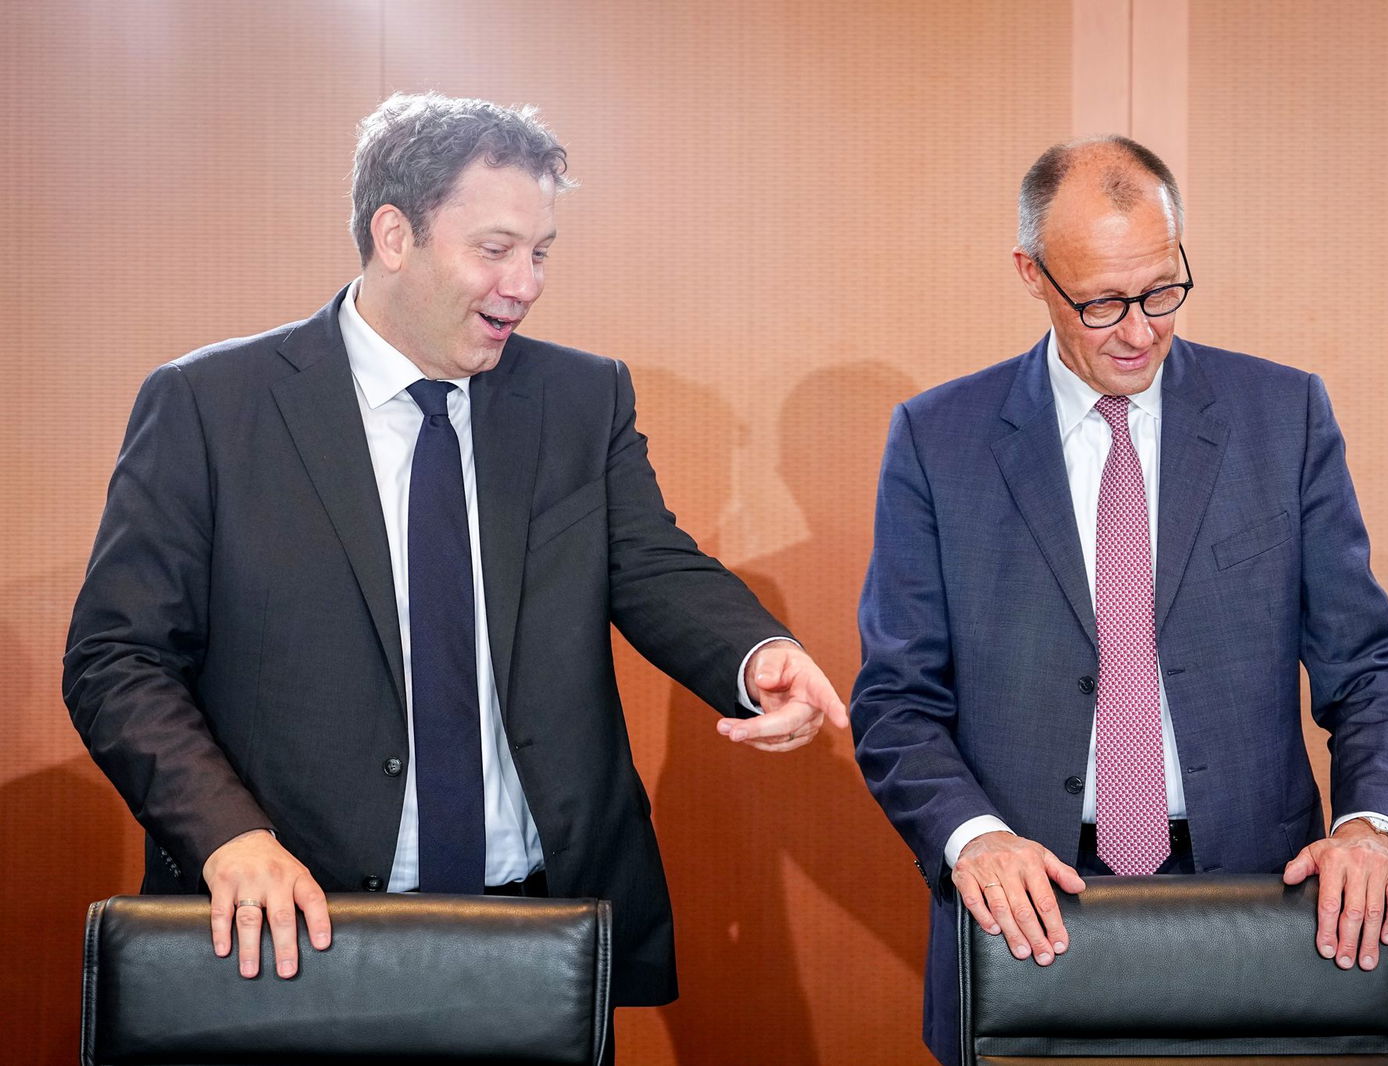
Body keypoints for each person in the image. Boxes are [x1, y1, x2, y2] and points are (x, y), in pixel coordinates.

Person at [63, 92, 846, 1020]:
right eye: (496, 248)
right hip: (293, 926)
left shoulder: (580, 398)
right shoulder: (210, 405)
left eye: (541, 251)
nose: (527, 282)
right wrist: (229, 838)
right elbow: (118, 660)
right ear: (394, 235)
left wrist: (758, 656)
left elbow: (650, 565)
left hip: (538, 924)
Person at [850, 136, 1388, 1066]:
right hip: (1032, 908)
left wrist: (1368, 824)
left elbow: (1369, 671)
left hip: (1258, 899)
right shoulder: (936, 440)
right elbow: (895, 701)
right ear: (1031, 275)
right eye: (1103, 302)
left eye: (1162, 291)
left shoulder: (1284, 417)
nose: (1138, 330)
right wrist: (974, 839)